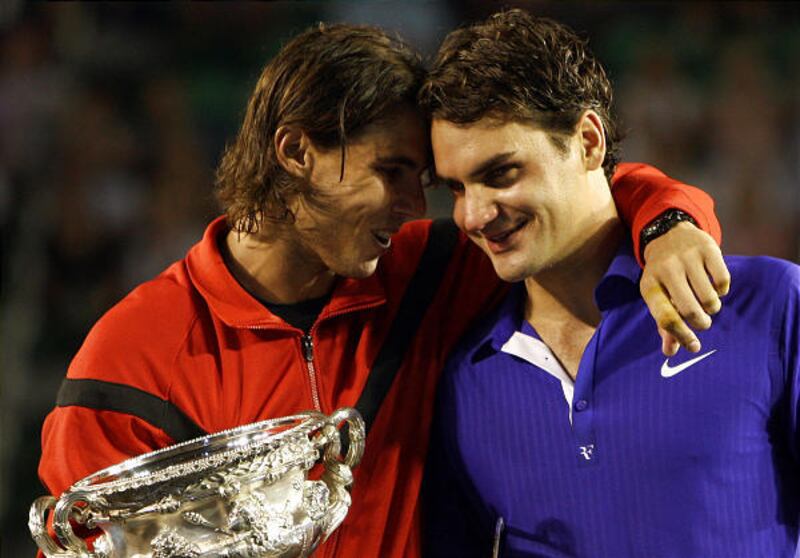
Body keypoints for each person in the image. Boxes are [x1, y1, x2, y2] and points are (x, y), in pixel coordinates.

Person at [37, 22, 728, 558]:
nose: (415, 207)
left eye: (424, 182)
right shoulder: (129, 361)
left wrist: (669, 225)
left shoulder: (426, 273)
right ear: (296, 151)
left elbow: (584, 196)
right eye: (390, 172)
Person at [420, 9, 799, 557]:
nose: (473, 216)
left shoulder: (768, 306)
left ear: (588, 141)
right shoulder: (464, 379)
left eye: (501, 174)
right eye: (456, 189)